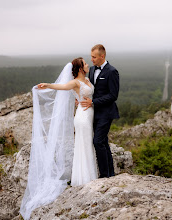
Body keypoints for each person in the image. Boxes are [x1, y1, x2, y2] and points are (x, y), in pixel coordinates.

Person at [20, 57, 98, 220]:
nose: (88, 65)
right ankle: (85, 179)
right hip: (82, 118)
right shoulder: (76, 82)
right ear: (79, 68)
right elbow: (61, 87)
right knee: (83, 145)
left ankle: (89, 176)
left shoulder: (88, 80)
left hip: (89, 114)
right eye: (85, 63)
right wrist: (47, 85)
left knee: (87, 145)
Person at [81, 44, 120, 178]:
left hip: (106, 112)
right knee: (103, 142)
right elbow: (91, 89)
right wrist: (82, 99)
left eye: (94, 57)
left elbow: (113, 95)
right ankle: (110, 174)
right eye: (91, 56)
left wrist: (93, 102)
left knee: (97, 141)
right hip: (93, 113)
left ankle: (104, 176)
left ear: (102, 56)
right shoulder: (92, 70)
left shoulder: (112, 71)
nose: (91, 59)